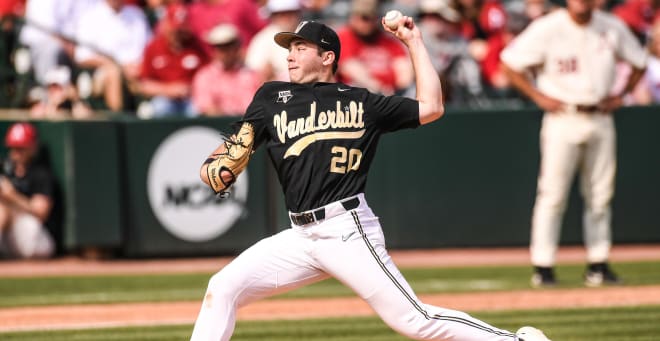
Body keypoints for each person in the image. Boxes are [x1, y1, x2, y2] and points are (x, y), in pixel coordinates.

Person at [191, 18, 551, 341]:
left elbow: (432, 106)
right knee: (223, 287)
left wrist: (414, 43)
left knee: (415, 320)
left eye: (301, 48)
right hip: (300, 236)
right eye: (289, 49)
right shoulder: (270, 97)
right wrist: (219, 163)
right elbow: (237, 145)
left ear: (328, 57)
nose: (290, 55)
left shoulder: (362, 103)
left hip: (346, 230)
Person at [500, 0, 648, 288]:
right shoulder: (549, 27)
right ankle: (543, 265)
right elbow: (509, 61)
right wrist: (538, 96)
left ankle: (598, 262)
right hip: (563, 116)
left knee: (600, 194)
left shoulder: (611, 26)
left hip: (599, 115)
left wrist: (622, 94)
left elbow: (640, 62)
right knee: (552, 194)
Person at [137, 3, 209, 118]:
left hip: (191, 98)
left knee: (198, 109)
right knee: (157, 108)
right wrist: (169, 90)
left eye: (181, 30)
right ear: (166, 25)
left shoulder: (197, 47)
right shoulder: (154, 47)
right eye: (175, 30)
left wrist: (192, 88)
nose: (178, 35)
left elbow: (209, 75)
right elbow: (144, 85)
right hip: (164, 98)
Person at [0, 122, 56, 259]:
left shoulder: (40, 174)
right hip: (8, 236)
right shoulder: (7, 171)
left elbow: (41, 212)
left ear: (32, 148)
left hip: (34, 238)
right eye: (13, 148)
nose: (16, 153)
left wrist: (12, 196)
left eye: (20, 148)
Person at [336, 0, 414, 96]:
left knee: (412, 91)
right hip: (360, 92)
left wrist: (399, 91)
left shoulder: (386, 39)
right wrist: (380, 89)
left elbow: (403, 68)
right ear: (353, 17)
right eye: (364, 18)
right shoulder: (344, 36)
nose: (366, 22)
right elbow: (350, 68)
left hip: (391, 94)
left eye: (371, 18)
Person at [191, 24, 261, 116]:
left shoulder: (251, 75)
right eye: (220, 47)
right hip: (217, 127)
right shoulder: (205, 76)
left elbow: (257, 107)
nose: (225, 52)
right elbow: (207, 107)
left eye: (229, 46)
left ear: (237, 47)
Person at [245, 0, 303, 82]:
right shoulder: (262, 39)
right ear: (273, 15)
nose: (286, 17)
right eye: (281, 14)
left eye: (290, 12)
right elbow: (253, 72)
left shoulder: (311, 34)